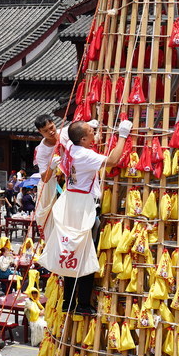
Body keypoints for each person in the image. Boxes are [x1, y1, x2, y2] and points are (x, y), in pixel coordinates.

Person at [51, 119, 130, 314]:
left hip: (71, 202)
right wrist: (122, 136)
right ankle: (83, 304)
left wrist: (87, 124)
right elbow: (112, 161)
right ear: (84, 139)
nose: (95, 133)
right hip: (82, 208)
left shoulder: (70, 145)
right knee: (84, 255)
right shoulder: (84, 155)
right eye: (91, 132)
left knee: (71, 251)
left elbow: (67, 133)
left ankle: (68, 301)